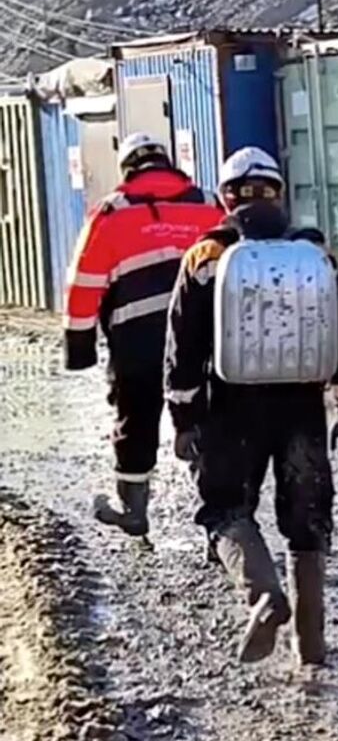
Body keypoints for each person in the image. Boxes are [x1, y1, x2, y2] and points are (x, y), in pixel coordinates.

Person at [164, 147, 338, 667]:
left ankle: (263, 597)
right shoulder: (316, 256)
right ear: (279, 194)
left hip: (231, 408)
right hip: (302, 407)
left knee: (226, 508)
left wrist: (184, 419)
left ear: (224, 198)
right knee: (308, 519)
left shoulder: (206, 257)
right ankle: (312, 647)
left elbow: (183, 349)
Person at [63, 131, 223, 538]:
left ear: (129, 168)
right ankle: (221, 520)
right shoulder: (208, 204)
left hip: (138, 342)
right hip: (203, 339)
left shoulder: (112, 212)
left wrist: (79, 347)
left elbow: (84, 282)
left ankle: (133, 510)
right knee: (203, 419)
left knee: (135, 418)